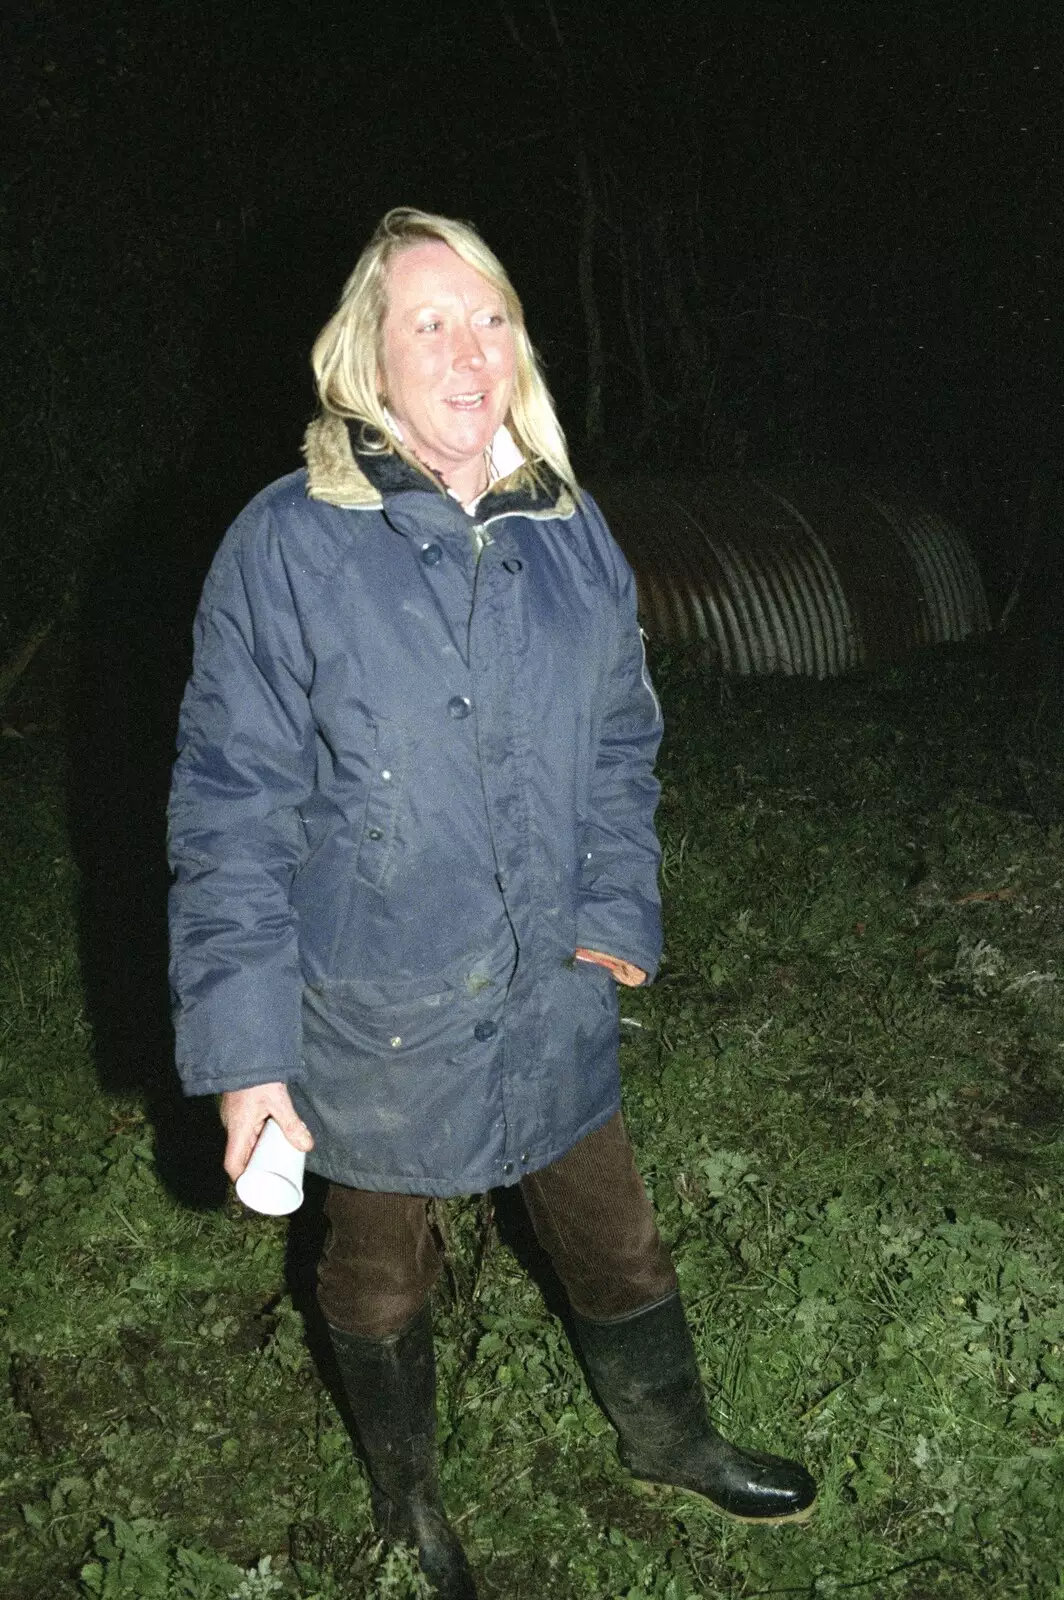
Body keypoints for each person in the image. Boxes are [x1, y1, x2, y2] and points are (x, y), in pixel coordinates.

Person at [167, 207, 816, 1599]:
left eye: (492, 317)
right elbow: (231, 807)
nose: (469, 348)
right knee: (378, 1270)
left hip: (550, 988)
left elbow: (623, 743)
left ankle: (673, 1439)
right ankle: (409, 1506)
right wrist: (248, 1059)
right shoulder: (286, 546)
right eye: (429, 322)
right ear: (367, 360)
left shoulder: (572, 535)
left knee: (614, 1226)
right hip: (375, 1008)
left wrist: (615, 915)